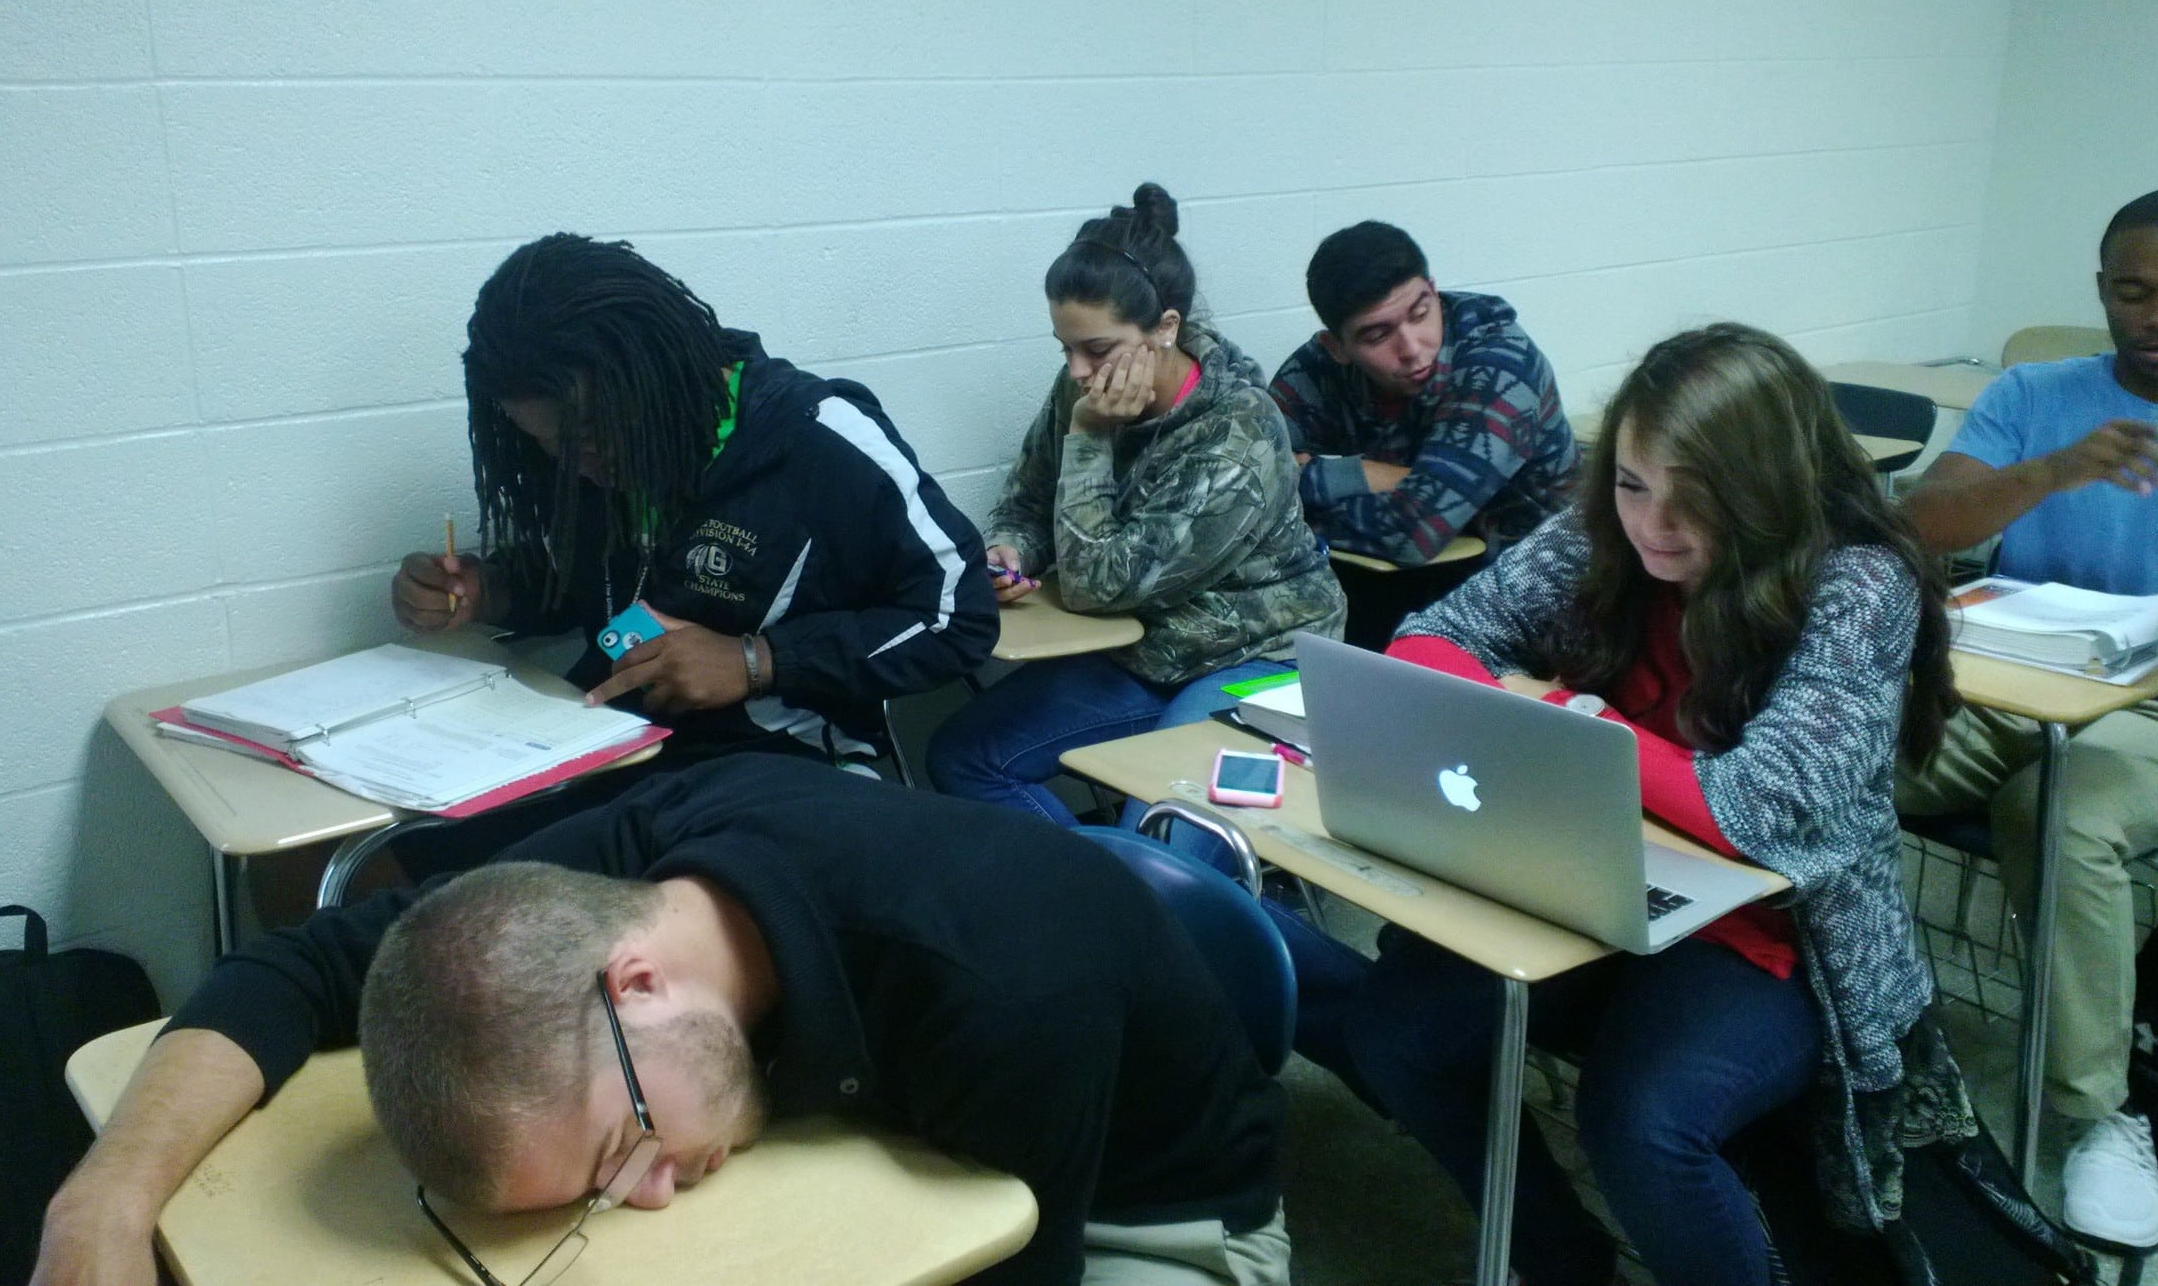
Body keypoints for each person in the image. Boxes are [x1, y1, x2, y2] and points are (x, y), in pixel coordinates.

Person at [32, 755, 1292, 1286]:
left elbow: (1012, 1266)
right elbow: (299, 968)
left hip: (1157, 1220)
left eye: (615, 1150)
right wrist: (105, 1196)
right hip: (909, 1138)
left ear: (638, 985)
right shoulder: (629, 873)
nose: (644, 1190)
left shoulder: (1002, 990)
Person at [1331, 324, 1958, 1286]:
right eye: (1632, 483)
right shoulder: (1600, 531)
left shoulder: (1858, 581)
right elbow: (1434, 634)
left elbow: (1760, 806)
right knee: (1398, 1032)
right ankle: (1562, 1259)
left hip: (1775, 928)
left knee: (1642, 1120)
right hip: (1598, 871)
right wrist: (1555, 727)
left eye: (1693, 495)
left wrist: (1588, 742)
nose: (1653, 521)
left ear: (1764, 486)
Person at [386, 233, 996, 874]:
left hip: (778, 769)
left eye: (591, 437)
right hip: (613, 746)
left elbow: (960, 617)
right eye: (551, 446)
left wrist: (756, 661)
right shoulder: (596, 464)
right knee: (391, 859)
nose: (581, 465)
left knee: (548, 920)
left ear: (654, 379)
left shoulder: (820, 442)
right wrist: (493, 590)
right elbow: (595, 579)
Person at [1895, 186, 2158, 1251]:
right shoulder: (2034, 392)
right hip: (2009, 676)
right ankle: (1834, 1026)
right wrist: (2051, 471)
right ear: (2100, 292)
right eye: (2133, 292)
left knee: (2059, 815)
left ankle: (2099, 1118)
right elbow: (1916, 523)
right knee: (1832, 771)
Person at [924, 184, 1345, 828]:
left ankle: (1142, 901)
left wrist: (1090, 438)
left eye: (1097, 350)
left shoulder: (1239, 432)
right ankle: (1107, 903)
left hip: (1252, 656)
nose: (1079, 372)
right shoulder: (1082, 387)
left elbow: (1099, 584)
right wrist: (1011, 549)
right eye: (1064, 348)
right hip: (1144, 648)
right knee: (964, 757)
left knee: (1163, 830)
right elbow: (1029, 501)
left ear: (1166, 329)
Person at [1269, 221, 1579, 647]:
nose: (1412, 347)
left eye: (1420, 313)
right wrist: (1384, 479)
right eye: (1377, 335)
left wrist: (1325, 477)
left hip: (1539, 600)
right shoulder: (1318, 371)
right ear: (1336, 347)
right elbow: (1252, 480)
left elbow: (1414, 531)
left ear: (1434, 292)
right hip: (1395, 588)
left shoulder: (1500, 363)